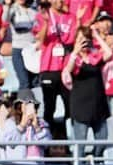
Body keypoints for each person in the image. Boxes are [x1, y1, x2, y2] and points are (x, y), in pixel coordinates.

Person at [33, 0, 80, 138]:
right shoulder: (42, 16)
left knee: (70, 107)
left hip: (66, 68)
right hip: (49, 67)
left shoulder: (71, 17)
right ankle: (47, 141)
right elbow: (41, 40)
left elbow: (72, 40)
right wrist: (47, 22)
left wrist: (79, 22)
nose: (59, 2)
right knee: (49, 107)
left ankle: (70, 142)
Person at [64, 25, 112, 158]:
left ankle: (96, 163)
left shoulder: (95, 56)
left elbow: (109, 54)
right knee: (80, 143)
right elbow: (68, 70)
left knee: (102, 140)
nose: (83, 42)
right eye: (80, 39)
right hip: (80, 107)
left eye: (86, 39)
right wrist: (75, 51)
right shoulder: (72, 58)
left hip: (99, 105)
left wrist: (97, 36)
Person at [0, 89, 51, 162]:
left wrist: (37, 127)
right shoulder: (10, 122)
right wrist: (22, 125)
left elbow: (46, 144)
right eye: (26, 105)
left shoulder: (42, 123)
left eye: (32, 105)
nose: (29, 108)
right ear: (19, 107)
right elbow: (7, 143)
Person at [3, 0, 38, 90]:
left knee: (35, 82)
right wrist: (7, 5)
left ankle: (36, 103)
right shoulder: (12, 9)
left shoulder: (34, 9)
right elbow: (4, 20)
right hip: (19, 49)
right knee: (24, 82)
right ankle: (24, 103)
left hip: (33, 50)